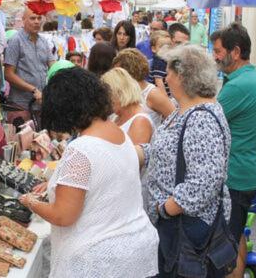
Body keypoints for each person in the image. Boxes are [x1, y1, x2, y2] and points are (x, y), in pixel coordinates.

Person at [20, 67, 159, 278]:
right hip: (134, 249)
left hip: (98, 261)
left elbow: (63, 215)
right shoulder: (116, 132)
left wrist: (30, 201)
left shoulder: (81, 149)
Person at [144, 44, 232, 277]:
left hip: (186, 227)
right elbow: (168, 152)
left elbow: (205, 181)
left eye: (169, 72)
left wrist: (165, 209)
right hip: (177, 223)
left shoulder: (201, 117)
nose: (165, 77)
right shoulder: (184, 109)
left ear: (182, 76)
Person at [211, 24, 256, 278]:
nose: (215, 56)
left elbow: (205, 120)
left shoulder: (239, 86)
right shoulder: (247, 76)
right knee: (236, 235)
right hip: (246, 171)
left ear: (235, 52)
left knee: (228, 243)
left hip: (237, 175)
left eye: (218, 51)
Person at [4, 9, 57, 124]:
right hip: (21, 104)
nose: (37, 22)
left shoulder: (44, 41)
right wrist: (32, 89)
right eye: (32, 18)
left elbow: (53, 67)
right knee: (22, 139)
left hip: (41, 103)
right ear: (23, 20)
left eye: (39, 18)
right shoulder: (15, 41)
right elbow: (8, 74)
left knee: (41, 140)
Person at [112, 48, 175, 128]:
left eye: (119, 72)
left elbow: (174, 119)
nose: (115, 75)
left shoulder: (152, 93)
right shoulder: (122, 91)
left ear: (130, 71)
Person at [102, 67, 153, 145]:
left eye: (108, 95)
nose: (107, 100)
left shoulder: (140, 121)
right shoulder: (116, 116)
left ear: (120, 92)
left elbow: (135, 156)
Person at [150, 31, 173, 96]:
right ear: (154, 49)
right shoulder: (159, 61)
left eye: (168, 46)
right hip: (162, 96)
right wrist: (165, 98)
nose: (165, 49)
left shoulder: (165, 60)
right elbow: (159, 81)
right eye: (161, 47)